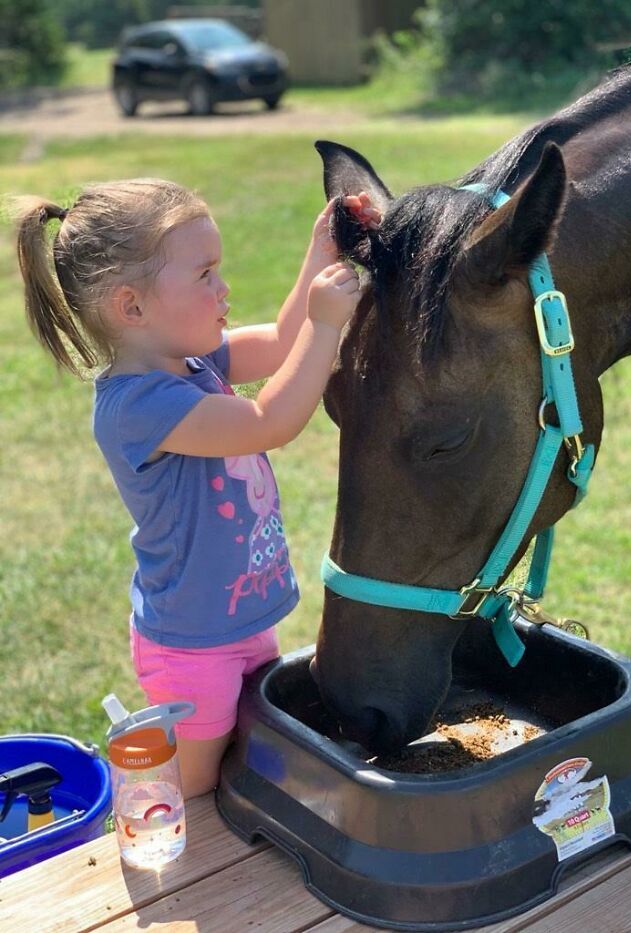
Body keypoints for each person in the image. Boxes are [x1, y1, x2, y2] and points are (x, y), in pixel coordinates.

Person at [14, 178, 379, 798]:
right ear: (131, 308)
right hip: (191, 647)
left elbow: (285, 343)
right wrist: (326, 326)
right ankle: (186, 890)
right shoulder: (138, 405)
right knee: (200, 790)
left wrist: (321, 252)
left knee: (253, 761)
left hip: (239, 620)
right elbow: (270, 422)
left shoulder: (192, 359)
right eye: (205, 274)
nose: (224, 289)